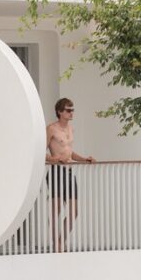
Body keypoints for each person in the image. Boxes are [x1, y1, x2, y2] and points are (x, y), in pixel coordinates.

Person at [45, 97, 94, 253]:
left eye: (72, 110)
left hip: (69, 171)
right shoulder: (51, 129)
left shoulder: (71, 129)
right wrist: (54, 159)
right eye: (68, 110)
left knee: (74, 211)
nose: (71, 113)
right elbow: (41, 153)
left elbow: (69, 152)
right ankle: (56, 244)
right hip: (56, 172)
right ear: (60, 112)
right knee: (56, 209)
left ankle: (61, 240)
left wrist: (84, 159)